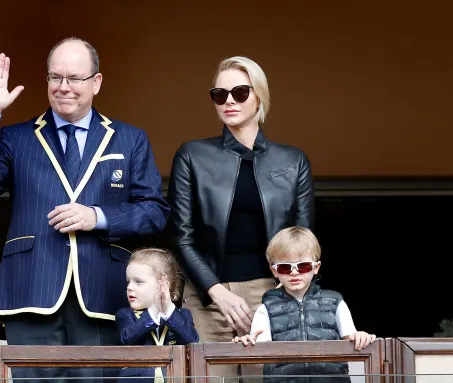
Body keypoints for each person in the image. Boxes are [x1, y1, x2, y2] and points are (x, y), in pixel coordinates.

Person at [0, 37, 170, 381]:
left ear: (96, 82)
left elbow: (154, 212)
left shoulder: (130, 139)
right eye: (55, 78)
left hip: (103, 294)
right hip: (31, 291)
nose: (63, 87)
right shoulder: (17, 137)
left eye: (74, 78)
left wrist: (98, 217)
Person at [167, 56, 314, 379]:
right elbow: (181, 235)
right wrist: (217, 292)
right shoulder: (192, 155)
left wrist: (283, 299)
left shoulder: (293, 161)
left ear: (259, 96)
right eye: (219, 94)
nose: (229, 101)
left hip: (272, 296)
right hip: (207, 296)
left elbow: (303, 242)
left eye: (240, 92)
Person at [233, 227, 376, 383]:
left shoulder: (335, 302)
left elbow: (352, 339)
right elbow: (259, 348)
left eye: (303, 266)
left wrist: (360, 336)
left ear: (316, 268)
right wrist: (246, 342)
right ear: (274, 271)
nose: (294, 273)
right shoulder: (266, 308)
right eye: (285, 267)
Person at [116, 248, 200, 382]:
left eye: (138, 281)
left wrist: (169, 311)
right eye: (128, 281)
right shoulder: (125, 315)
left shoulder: (182, 314)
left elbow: (192, 341)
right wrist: (153, 311)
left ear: (163, 285)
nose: (129, 287)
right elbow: (127, 339)